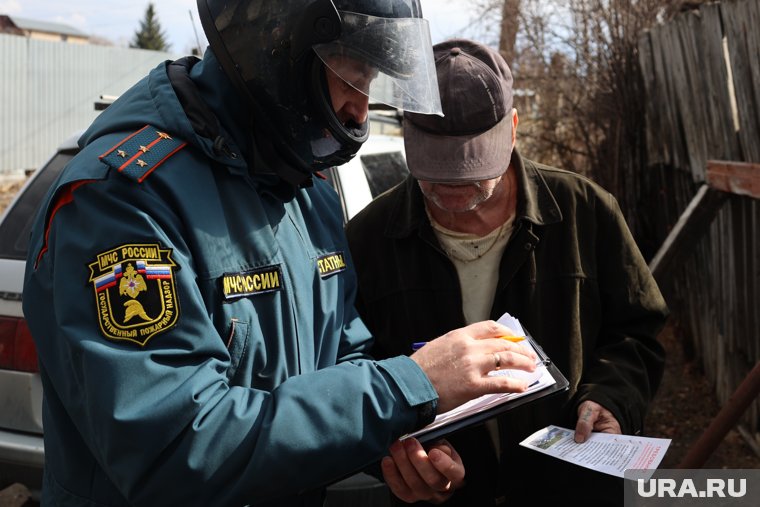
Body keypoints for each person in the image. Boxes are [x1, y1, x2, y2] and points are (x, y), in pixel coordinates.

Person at [21, 4, 539, 506]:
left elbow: (341, 356)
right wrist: (409, 385)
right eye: (352, 77)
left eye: (371, 83)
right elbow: (176, 447)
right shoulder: (121, 199)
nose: (360, 110)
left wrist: (401, 441)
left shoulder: (301, 188)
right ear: (279, 52)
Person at [346, 38, 669, 506]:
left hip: (568, 489)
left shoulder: (585, 212)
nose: (453, 189)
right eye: (436, 172)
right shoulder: (368, 240)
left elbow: (637, 332)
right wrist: (407, 457)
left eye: (472, 169)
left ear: (512, 129)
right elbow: (351, 373)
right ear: (405, 136)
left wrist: (612, 398)